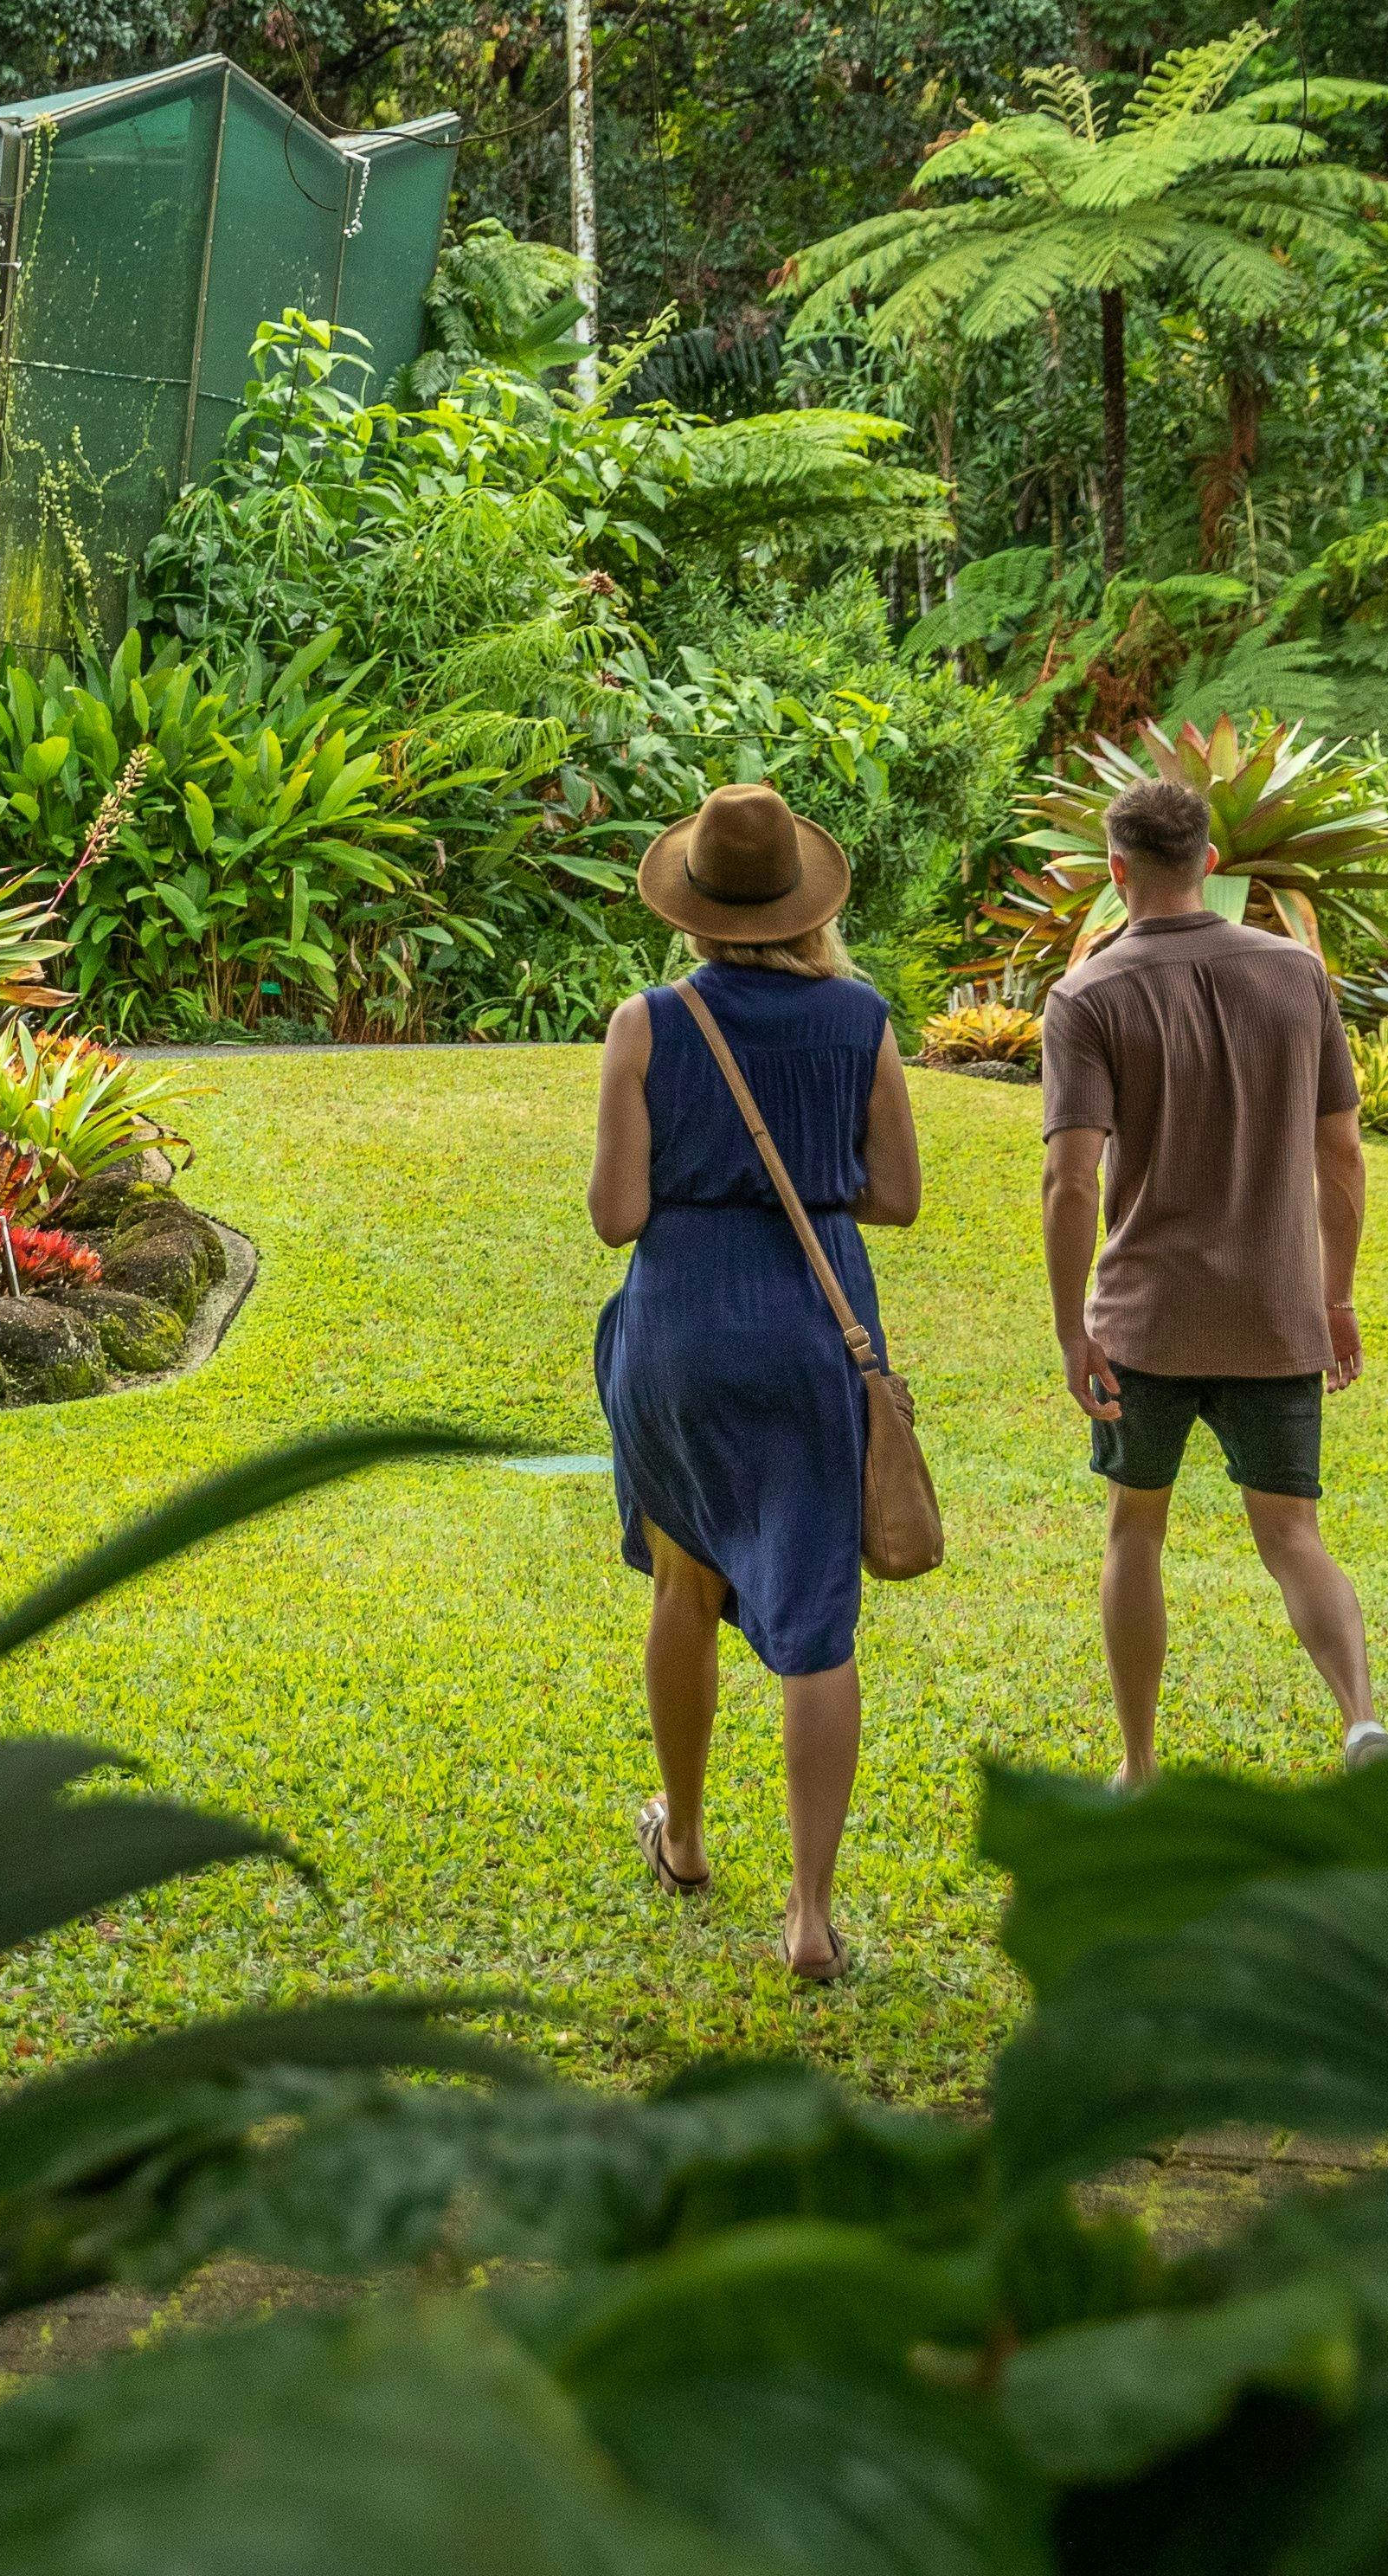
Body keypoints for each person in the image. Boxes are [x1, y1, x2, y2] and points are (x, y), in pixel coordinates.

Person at [588, 780, 924, 1984]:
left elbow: (615, 1217)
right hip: (813, 1331)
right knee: (818, 1621)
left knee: (685, 1584)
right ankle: (812, 1917)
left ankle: (681, 1840)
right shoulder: (862, 1019)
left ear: (694, 906)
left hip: (682, 1332)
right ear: (806, 901)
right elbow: (897, 1197)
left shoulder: (649, 1021)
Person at [1034, 765, 1388, 1786]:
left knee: (1134, 1527)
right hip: (1276, 1312)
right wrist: (1335, 1295)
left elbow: (1070, 1178)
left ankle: (1140, 1765)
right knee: (1292, 1532)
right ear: (1213, 863)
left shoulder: (1089, 991)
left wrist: (1072, 1329)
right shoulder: (1296, 975)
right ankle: (1361, 1718)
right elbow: (1344, 1156)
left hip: (1144, 1319)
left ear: (1116, 870)